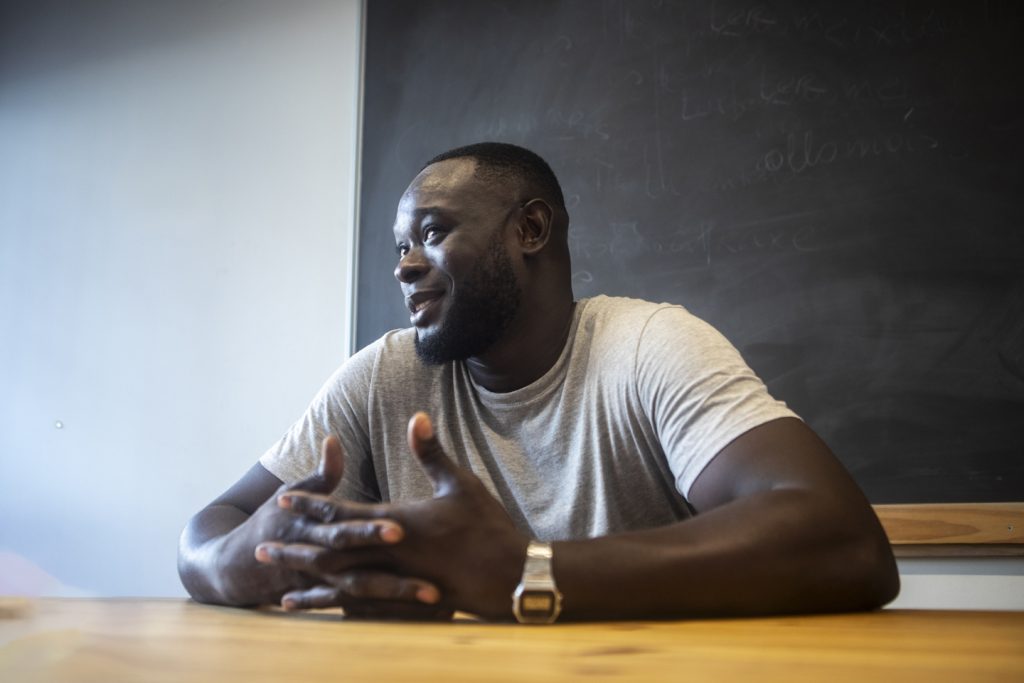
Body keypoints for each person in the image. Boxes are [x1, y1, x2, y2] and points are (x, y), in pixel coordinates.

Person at [177, 142, 899, 622]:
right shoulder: (382, 377)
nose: (403, 266)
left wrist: (528, 573)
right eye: (399, 246)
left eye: (432, 232)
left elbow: (845, 543)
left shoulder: (647, 347)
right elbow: (207, 532)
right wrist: (251, 559)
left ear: (530, 230)